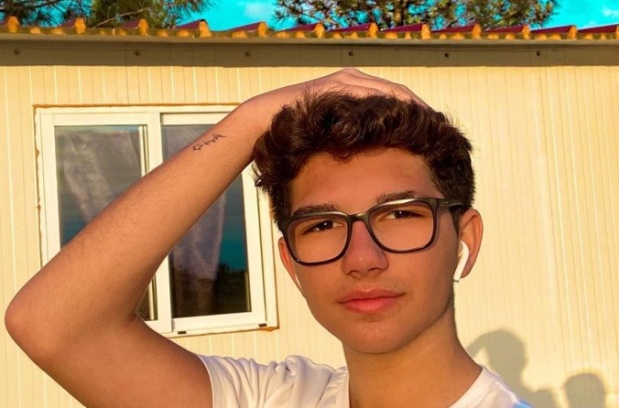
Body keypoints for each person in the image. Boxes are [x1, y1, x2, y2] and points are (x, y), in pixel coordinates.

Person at [5, 68, 527, 407]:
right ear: (290, 262)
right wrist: (250, 120)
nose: (362, 258)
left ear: (465, 238)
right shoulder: (272, 398)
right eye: (322, 225)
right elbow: (53, 326)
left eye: (399, 215)